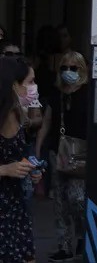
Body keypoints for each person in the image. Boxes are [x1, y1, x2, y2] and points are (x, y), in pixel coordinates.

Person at [43, 51, 90, 261]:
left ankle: (81, 237)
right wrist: (39, 151)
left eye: (73, 68)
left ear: (82, 70)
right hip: (58, 152)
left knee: (77, 199)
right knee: (60, 202)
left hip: (80, 153)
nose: (68, 72)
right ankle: (64, 245)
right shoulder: (56, 94)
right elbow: (46, 123)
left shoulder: (88, 93)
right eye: (64, 68)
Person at [0, 57, 39, 263]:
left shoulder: (17, 114)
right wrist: (6, 169)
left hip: (14, 205)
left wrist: (29, 168)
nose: (34, 88)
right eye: (30, 82)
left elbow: (15, 155)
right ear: (14, 84)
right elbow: (7, 164)